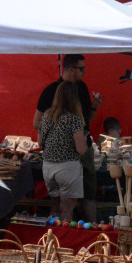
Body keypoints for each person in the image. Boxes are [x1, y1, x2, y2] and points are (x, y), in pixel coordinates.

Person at [33, 54, 101, 222]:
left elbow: (40, 136)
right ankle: (77, 237)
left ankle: (57, 239)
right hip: (70, 161)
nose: (84, 72)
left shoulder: (82, 88)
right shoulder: (50, 91)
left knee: (77, 199)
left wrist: (93, 107)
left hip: (53, 164)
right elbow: (36, 123)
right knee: (69, 208)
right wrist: (66, 134)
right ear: (71, 70)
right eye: (82, 69)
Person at [38, 81, 89, 221]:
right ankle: (62, 240)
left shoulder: (47, 115)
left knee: (55, 209)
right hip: (67, 168)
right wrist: (84, 139)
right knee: (66, 212)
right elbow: (81, 149)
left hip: (48, 168)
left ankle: (50, 239)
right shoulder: (74, 119)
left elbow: (39, 142)